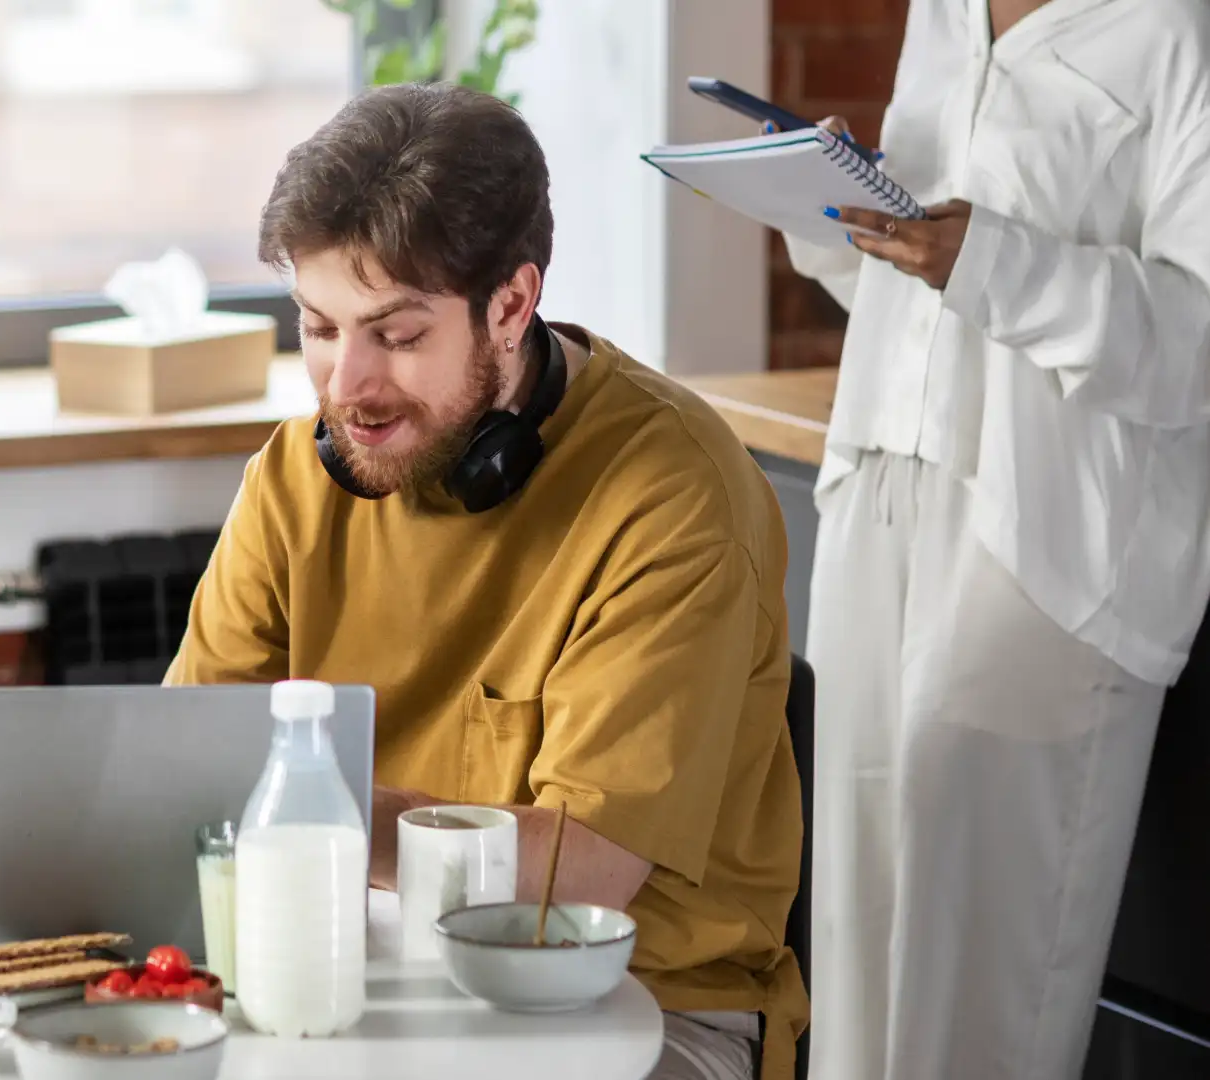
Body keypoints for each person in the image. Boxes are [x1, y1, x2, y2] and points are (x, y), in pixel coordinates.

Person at [165, 82, 808, 1080]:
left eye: (396, 335)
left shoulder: (675, 494)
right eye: (320, 328)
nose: (346, 388)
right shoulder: (294, 476)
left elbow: (584, 870)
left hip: (642, 1001)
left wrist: (304, 808)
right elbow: (182, 767)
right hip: (365, 968)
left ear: (510, 306)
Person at [773, 2, 1210, 1077]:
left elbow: (1195, 338)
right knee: (850, 963)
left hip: (1048, 540)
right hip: (880, 484)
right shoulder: (943, 13)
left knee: (974, 1001)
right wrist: (835, 215)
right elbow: (929, 273)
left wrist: (993, 263)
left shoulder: (1173, 31)